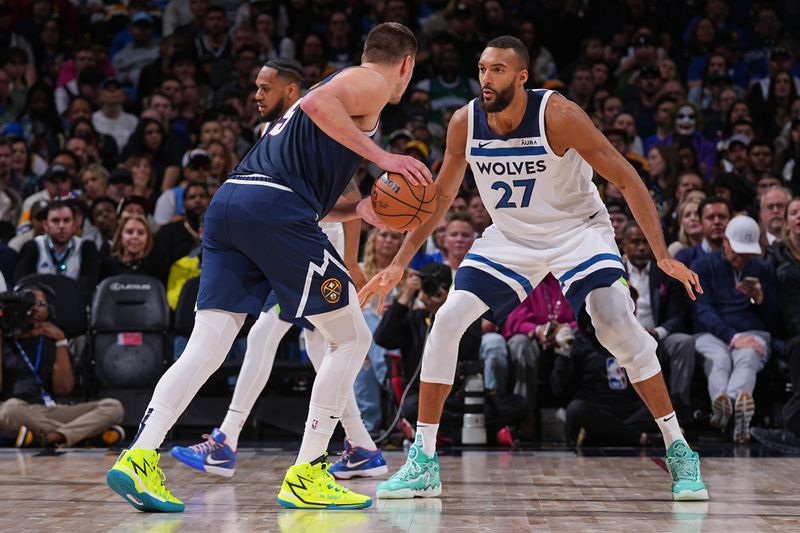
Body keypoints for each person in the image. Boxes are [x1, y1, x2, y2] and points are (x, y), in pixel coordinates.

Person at [362, 36, 707, 501]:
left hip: (576, 231)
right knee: (446, 322)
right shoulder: (465, 122)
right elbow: (441, 197)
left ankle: (678, 448)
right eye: (483, 69)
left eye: (498, 70)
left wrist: (662, 253)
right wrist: (400, 262)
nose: (487, 78)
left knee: (615, 325)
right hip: (511, 237)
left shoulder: (558, 116)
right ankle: (423, 459)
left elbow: (625, 178)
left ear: (522, 76)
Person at [106, 22, 429, 512]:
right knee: (352, 337)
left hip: (233, 203)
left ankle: (139, 457)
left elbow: (305, 176)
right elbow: (317, 106)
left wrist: (356, 211)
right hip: (274, 210)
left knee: (209, 342)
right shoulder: (373, 81)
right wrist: (383, 156)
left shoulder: (342, 94)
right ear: (405, 63)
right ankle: (309, 471)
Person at [169, 58, 386, 482]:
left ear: (292, 91)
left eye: (266, 88)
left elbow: (352, 194)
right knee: (319, 348)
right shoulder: (278, 128)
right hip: (280, 239)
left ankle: (227, 439)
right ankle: (361, 447)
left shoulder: (317, 119)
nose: (257, 95)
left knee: (282, 337)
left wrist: (354, 262)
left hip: (311, 239)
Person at [0, 284, 124, 448]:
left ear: (49, 311)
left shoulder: (51, 340)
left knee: (113, 407)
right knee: (10, 409)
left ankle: (52, 437)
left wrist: (61, 341)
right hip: (16, 411)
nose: (35, 309)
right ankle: (84, 436)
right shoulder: (5, 341)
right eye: (29, 303)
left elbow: (63, 389)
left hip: (48, 410)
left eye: (41, 304)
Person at [692, 215, 778, 443]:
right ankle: (730, 412)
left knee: (749, 355)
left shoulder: (764, 269)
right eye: (737, 249)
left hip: (753, 333)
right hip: (711, 333)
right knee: (719, 358)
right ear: (726, 241)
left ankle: (728, 409)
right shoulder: (703, 266)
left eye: (747, 252)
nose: (741, 257)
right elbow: (703, 310)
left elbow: (772, 318)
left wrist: (760, 299)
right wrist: (732, 336)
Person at [14, 200, 100, 298]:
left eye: (66, 220)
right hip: (42, 304)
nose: (61, 226)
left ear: (74, 224)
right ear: (45, 225)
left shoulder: (86, 247)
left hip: (75, 303)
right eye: (55, 221)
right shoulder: (32, 247)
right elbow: (21, 282)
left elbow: (88, 285)